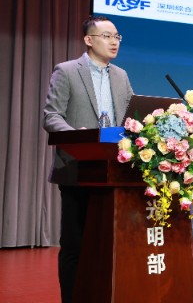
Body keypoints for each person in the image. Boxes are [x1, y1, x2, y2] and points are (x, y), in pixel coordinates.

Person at [43, 15, 133, 303]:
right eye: (107, 36)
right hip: (78, 168)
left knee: (108, 244)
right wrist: (75, 135)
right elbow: (51, 116)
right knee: (75, 244)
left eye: (117, 37)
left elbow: (130, 119)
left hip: (113, 171)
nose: (114, 42)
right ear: (89, 40)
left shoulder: (121, 76)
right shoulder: (67, 71)